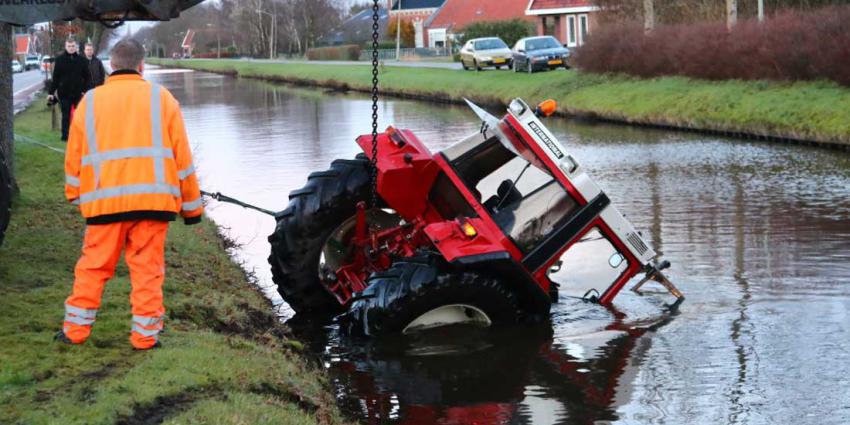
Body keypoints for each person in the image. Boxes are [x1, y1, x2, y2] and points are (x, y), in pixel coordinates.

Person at [57, 39, 203, 350]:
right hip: (153, 203)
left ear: (111, 65)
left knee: (93, 268)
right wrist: (191, 209)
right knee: (148, 272)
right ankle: (145, 337)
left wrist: (74, 192)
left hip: (103, 204)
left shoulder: (90, 102)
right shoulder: (162, 100)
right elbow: (182, 158)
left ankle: (74, 332)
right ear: (141, 65)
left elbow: (74, 154)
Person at [48, 39, 92, 141]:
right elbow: (56, 78)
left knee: (80, 115)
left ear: (76, 47)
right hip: (64, 92)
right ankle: (65, 136)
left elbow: (87, 77)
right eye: (69, 46)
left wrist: (84, 90)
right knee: (66, 115)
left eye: (73, 46)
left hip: (78, 92)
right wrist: (50, 92)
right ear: (65, 47)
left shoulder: (82, 60)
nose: (71, 48)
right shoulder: (59, 60)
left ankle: (80, 134)